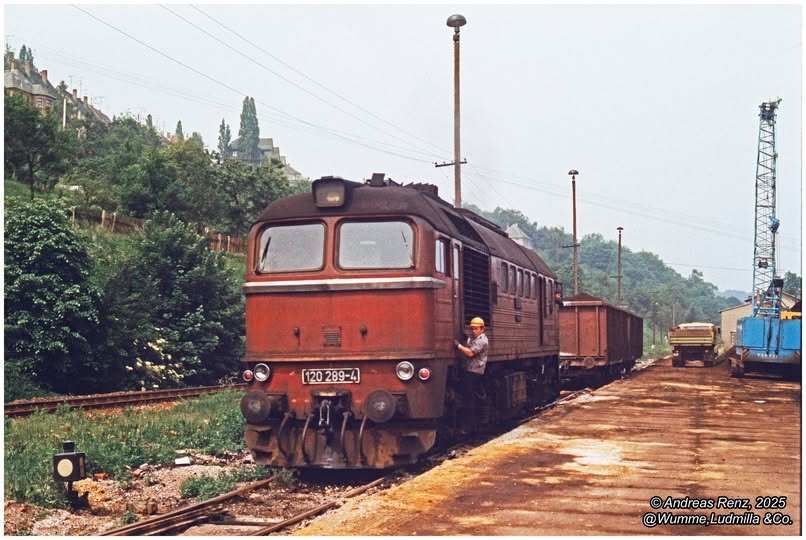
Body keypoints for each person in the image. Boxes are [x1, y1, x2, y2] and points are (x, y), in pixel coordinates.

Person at [454, 316, 489, 432]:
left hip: (474, 372)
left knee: (470, 399)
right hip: (469, 371)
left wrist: (458, 345)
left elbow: (470, 353)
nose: (473, 330)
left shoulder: (482, 340)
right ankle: (471, 425)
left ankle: (471, 427)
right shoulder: (475, 339)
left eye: (476, 328)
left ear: (482, 329)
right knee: (469, 398)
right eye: (472, 328)